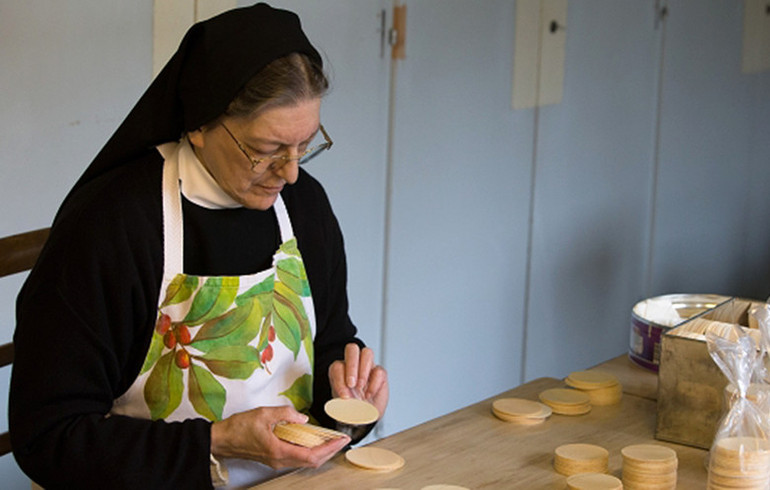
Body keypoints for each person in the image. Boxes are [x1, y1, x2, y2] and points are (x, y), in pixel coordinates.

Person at [9, 3, 388, 489]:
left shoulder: (305, 205)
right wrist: (217, 441)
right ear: (199, 126)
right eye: (268, 150)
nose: (291, 173)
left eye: (307, 145)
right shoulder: (112, 225)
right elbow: (48, 437)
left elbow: (331, 343)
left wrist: (350, 401)